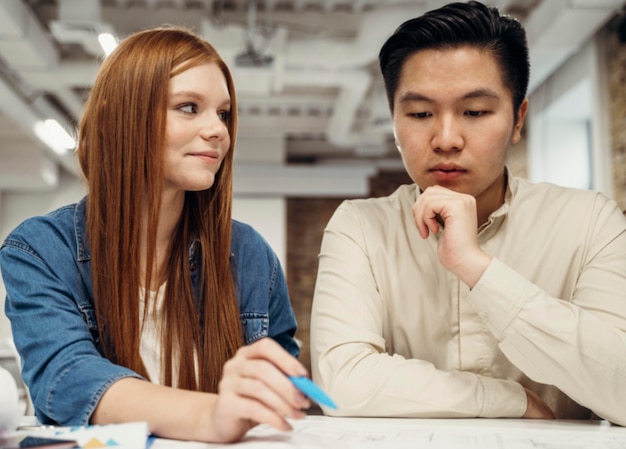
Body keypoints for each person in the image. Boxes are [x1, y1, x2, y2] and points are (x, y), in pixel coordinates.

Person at [310, 1, 626, 425]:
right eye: (420, 113)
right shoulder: (360, 227)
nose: (445, 138)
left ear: (518, 119)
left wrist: (477, 268)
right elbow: (340, 383)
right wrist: (509, 400)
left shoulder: (589, 221)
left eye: (475, 112)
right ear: (394, 122)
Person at [0, 26, 311, 443]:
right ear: (118, 117)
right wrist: (213, 415)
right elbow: (67, 378)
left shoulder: (249, 254)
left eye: (223, 113)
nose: (219, 131)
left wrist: (277, 391)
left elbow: (284, 392)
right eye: (188, 107)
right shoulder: (40, 250)